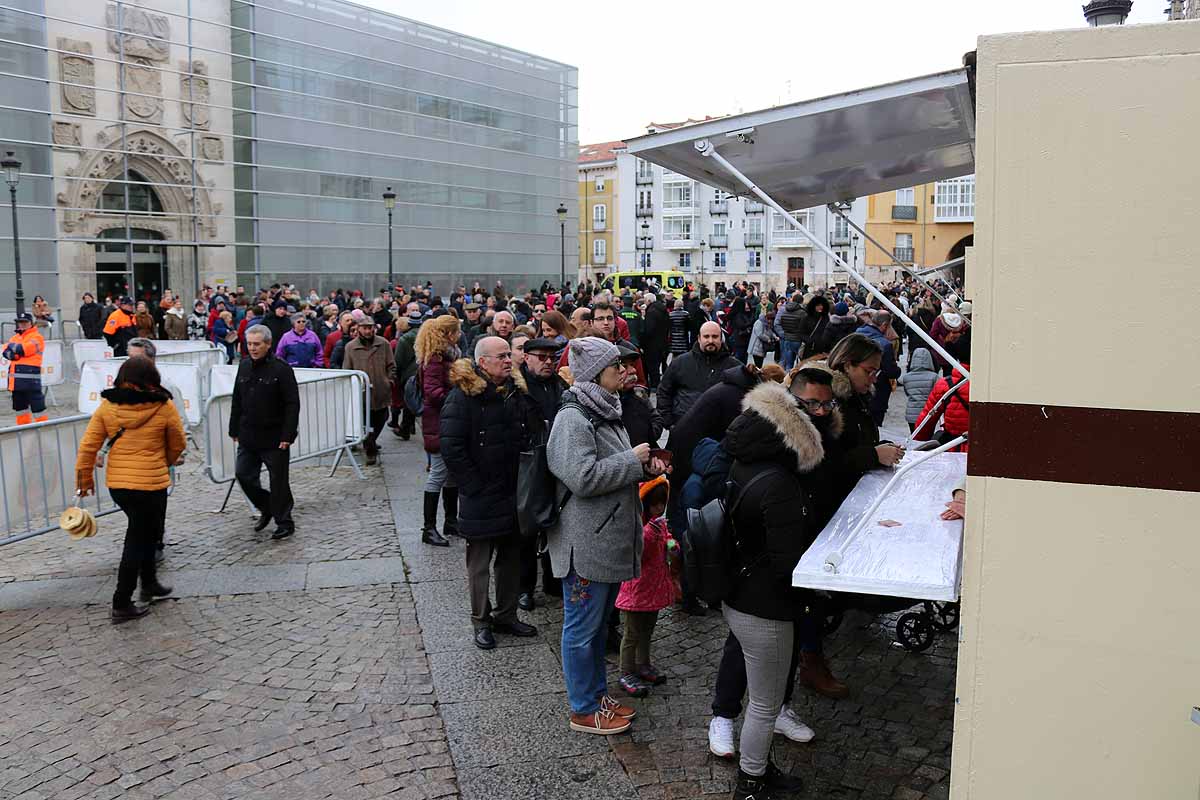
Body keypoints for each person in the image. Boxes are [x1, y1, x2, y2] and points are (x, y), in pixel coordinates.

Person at [708, 369, 839, 799]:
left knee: (761, 699)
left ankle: (760, 768)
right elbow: (788, 564)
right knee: (764, 705)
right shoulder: (782, 485)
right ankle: (751, 782)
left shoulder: (744, 463)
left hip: (739, 592)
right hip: (765, 606)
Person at [546, 337, 669, 735]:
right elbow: (581, 477)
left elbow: (606, 468)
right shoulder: (573, 418)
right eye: (617, 366)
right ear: (596, 373)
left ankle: (596, 695)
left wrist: (642, 469)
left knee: (597, 627)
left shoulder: (603, 409)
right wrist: (631, 460)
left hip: (603, 540)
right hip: (585, 545)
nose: (626, 371)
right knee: (582, 629)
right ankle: (582, 708)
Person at [439, 336, 541, 650]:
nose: (509, 360)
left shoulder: (515, 391)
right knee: (479, 564)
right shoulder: (463, 396)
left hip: (512, 490)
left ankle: (506, 614)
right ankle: (481, 621)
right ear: (483, 362)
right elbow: (452, 448)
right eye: (502, 356)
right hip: (482, 494)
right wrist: (473, 486)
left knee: (511, 558)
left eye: (510, 355)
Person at [75, 357, 186, 623]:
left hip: (120, 485)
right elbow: (178, 442)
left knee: (146, 532)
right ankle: (121, 601)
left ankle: (149, 583)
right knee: (138, 538)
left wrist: (84, 481)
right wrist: (167, 460)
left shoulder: (107, 406)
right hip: (151, 482)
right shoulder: (164, 406)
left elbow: (88, 446)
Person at [230, 325, 301, 541]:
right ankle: (267, 507)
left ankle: (284, 521)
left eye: (257, 344)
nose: (252, 348)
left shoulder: (281, 369)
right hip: (248, 434)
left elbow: (292, 404)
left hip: (275, 436)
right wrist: (233, 428)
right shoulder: (243, 366)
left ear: (268, 344)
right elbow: (237, 399)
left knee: (278, 481)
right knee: (243, 475)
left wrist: (287, 435)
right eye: (249, 344)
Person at [517, 336, 568, 608]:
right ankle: (524, 587)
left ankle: (552, 580)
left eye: (552, 357)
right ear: (527, 358)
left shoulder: (560, 385)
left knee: (555, 523)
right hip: (528, 462)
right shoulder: (518, 388)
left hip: (556, 461)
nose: (548, 362)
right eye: (541, 357)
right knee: (527, 529)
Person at [615, 476, 675, 697]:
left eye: (663, 504)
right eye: (656, 504)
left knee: (648, 630)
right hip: (637, 589)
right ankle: (626, 670)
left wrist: (671, 544)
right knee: (632, 633)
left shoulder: (658, 525)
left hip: (654, 588)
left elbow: (668, 539)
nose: (660, 508)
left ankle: (643, 663)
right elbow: (638, 554)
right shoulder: (640, 528)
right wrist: (654, 535)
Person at [416, 314, 462, 547]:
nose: (460, 334)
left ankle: (451, 521)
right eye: (457, 330)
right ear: (449, 334)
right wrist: (456, 399)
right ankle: (429, 527)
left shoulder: (446, 355)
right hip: (438, 423)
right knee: (438, 474)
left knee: (451, 474)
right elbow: (432, 392)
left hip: (445, 422)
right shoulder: (435, 358)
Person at [656, 321, 741, 429]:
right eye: (706, 336)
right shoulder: (680, 363)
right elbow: (664, 392)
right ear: (699, 338)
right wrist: (669, 423)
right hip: (684, 428)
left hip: (720, 432)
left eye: (715, 337)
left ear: (721, 338)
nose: (710, 340)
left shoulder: (734, 367)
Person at [342, 317, 395, 466]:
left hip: (381, 389)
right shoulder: (351, 347)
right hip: (362, 392)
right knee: (365, 421)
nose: (368, 331)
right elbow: (347, 369)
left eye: (370, 327)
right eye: (364, 328)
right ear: (358, 328)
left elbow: (391, 365)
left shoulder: (383, 344)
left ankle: (371, 440)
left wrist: (389, 380)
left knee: (382, 417)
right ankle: (370, 449)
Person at [854, 310, 902, 426]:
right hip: (877, 391)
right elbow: (891, 371)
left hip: (856, 388)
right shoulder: (884, 344)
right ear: (885, 325)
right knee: (874, 424)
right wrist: (898, 370)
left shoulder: (856, 335)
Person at [913, 361, 971, 452]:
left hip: (952, 447)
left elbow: (925, 423)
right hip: (985, 449)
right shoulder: (993, 385)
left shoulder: (945, 385)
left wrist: (919, 441)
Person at [4, 313, 46, 425]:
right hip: (16, 383)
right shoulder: (15, 337)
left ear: (30, 323)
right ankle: (23, 432)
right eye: (20, 322)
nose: (22, 325)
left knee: (38, 409)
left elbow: (24, 349)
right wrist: (16, 353)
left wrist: (15, 351)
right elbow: (5, 352)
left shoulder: (37, 337)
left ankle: (44, 431)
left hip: (31, 382)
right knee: (20, 410)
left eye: (25, 322)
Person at [898, 347, 939, 431]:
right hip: (928, 413)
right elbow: (936, 394)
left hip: (911, 414)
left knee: (914, 437)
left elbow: (907, 393)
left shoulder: (906, 377)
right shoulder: (934, 377)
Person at [641, 292, 670, 389]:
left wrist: (644, 341)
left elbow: (649, 329)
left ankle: (655, 385)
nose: (644, 303)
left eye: (645, 301)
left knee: (653, 366)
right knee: (661, 363)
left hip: (653, 344)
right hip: (663, 341)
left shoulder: (651, 312)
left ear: (649, 301)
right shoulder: (662, 309)